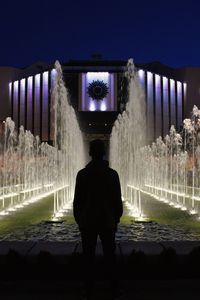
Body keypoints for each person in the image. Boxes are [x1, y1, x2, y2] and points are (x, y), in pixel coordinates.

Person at [73, 139, 123, 300]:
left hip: (87, 221)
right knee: (110, 256)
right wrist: (116, 218)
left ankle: (88, 290)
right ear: (103, 153)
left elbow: (77, 202)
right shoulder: (112, 174)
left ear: (90, 153)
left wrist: (80, 220)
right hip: (107, 220)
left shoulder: (82, 174)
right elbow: (117, 200)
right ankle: (113, 288)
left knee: (88, 256)